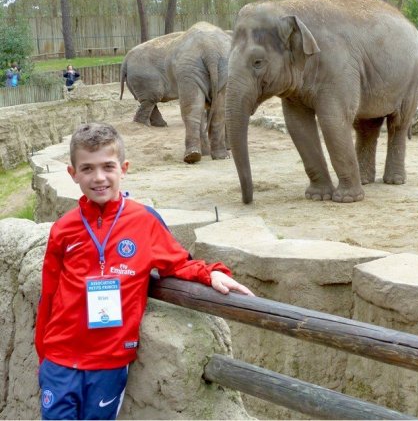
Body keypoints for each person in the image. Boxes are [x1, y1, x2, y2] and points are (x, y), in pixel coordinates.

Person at [34, 122, 254, 420]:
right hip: (60, 358)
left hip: (109, 361)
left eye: (107, 167)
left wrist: (211, 273)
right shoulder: (64, 229)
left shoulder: (144, 222)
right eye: (87, 169)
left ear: (123, 168)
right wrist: (43, 354)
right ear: (73, 174)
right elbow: (49, 293)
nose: (99, 178)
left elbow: (178, 262)